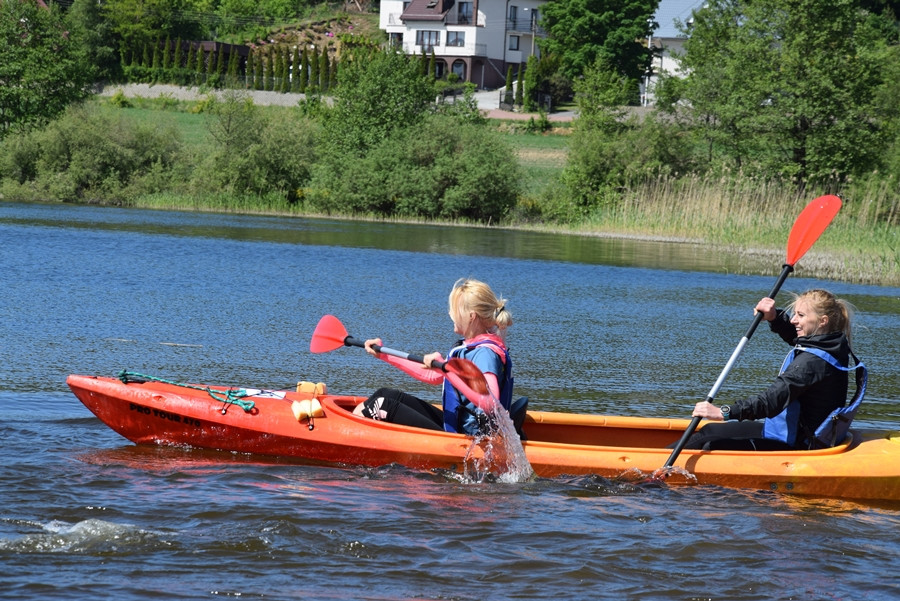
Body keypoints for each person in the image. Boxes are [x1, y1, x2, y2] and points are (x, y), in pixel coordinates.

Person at [678, 288, 865, 451]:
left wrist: (724, 412)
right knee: (709, 431)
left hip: (798, 445)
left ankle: (655, 473)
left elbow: (770, 402)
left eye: (800, 315)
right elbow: (797, 338)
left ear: (822, 321)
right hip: (791, 433)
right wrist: (774, 317)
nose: (793, 320)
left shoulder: (811, 364)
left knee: (711, 445)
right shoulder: (832, 346)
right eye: (794, 314)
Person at [352, 278, 514, 435]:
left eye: (454, 309)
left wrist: (448, 370)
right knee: (385, 394)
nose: (450, 313)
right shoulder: (470, 346)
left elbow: (490, 403)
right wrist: (383, 354)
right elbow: (432, 375)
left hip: (471, 440)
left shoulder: (484, 354)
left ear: (471, 316)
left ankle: (349, 437)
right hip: (458, 429)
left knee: (384, 405)